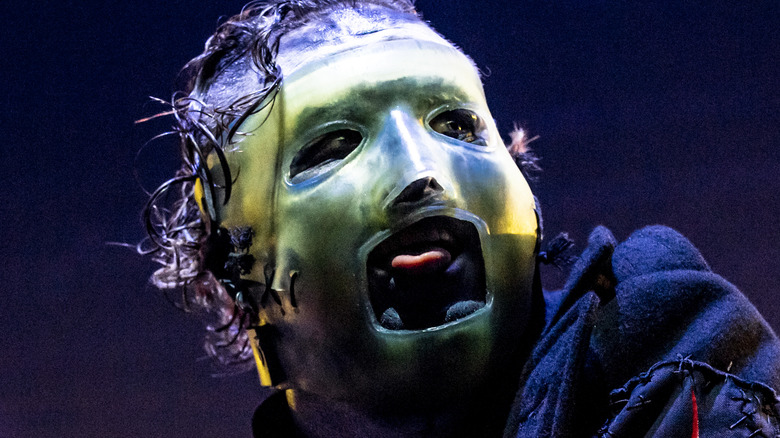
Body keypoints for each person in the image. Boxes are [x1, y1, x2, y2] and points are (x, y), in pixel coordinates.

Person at [141, 1, 780, 436]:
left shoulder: (653, 342)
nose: (422, 174)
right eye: (332, 147)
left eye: (457, 126)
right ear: (234, 266)